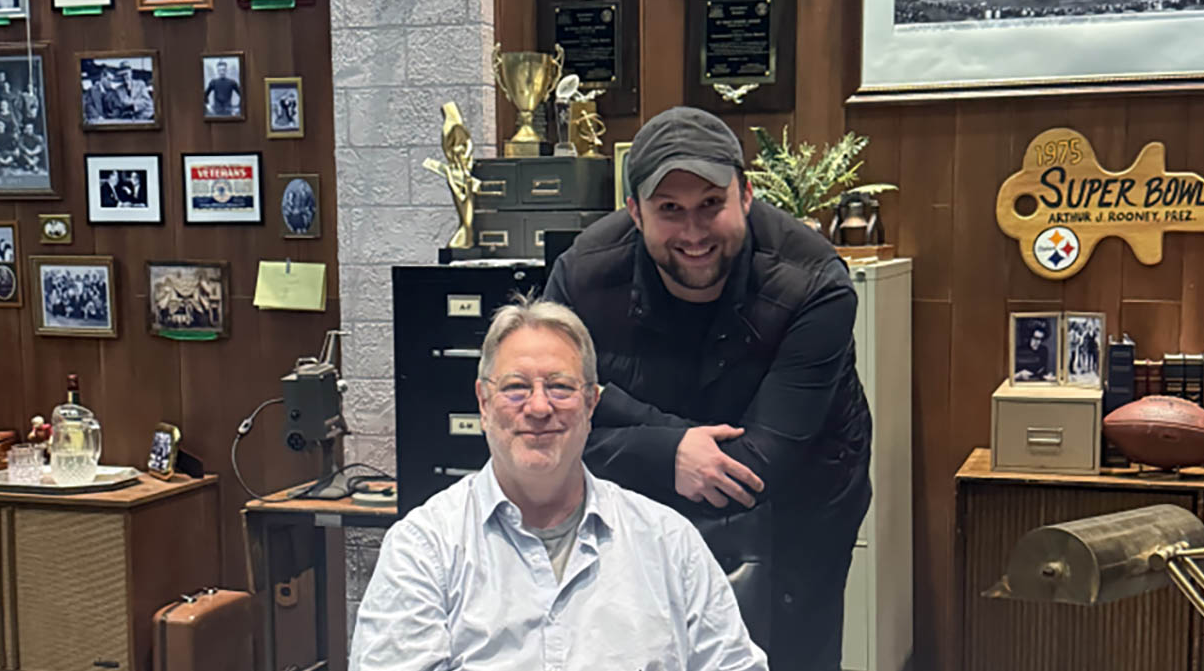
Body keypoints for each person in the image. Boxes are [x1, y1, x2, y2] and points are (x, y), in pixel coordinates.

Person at [544, 106, 873, 671]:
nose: (693, 232)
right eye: (670, 209)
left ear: (745, 195)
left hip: (799, 500)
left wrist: (613, 414)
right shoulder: (582, 277)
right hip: (642, 503)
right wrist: (669, 448)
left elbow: (756, 466)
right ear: (634, 212)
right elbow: (541, 421)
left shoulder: (815, 283)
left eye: (710, 205)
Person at [351, 296, 767, 671]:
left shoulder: (668, 543)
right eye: (515, 388)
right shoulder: (424, 548)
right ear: (482, 402)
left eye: (560, 387)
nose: (538, 406)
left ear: (591, 404)